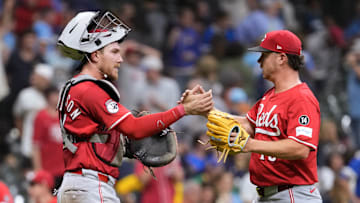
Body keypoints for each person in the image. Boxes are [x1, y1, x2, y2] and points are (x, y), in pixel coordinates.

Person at [55, 11, 213, 203]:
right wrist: (182, 110)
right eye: (114, 52)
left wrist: (121, 144)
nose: (120, 59)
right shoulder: (90, 90)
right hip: (91, 186)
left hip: (77, 184)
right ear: (95, 55)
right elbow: (134, 128)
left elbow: (96, 138)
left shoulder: (76, 87)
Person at [182, 30, 322, 202]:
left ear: (281, 58)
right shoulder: (269, 96)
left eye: (264, 55)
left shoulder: (301, 98)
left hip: (292, 194)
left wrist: (251, 145)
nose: (259, 61)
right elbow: (248, 125)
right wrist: (206, 111)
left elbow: (300, 148)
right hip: (267, 194)